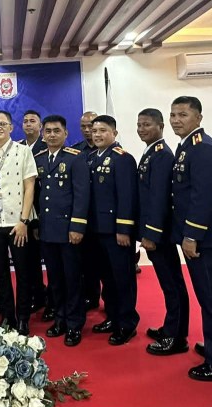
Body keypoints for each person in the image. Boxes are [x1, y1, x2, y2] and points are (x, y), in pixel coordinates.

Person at [165, 97, 212, 379]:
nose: (176, 120)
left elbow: (203, 197)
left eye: (183, 115)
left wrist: (192, 234)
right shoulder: (187, 147)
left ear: (198, 117)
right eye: (173, 115)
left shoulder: (202, 148)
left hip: (202, 238)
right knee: (207, 296)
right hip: (194, 235)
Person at [0, 110, 38, 334]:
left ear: (11, 127)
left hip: (17, 223)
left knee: (23, 272)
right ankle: (7, 315)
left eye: (3, 124)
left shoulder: (23, 151)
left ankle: (23, 317)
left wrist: (24, 220)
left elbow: (30, 186)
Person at [135, 108, 189, 353]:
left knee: (172, 284)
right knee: (169, 283)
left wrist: (151, 233)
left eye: (147, 124)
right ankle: (170, 327)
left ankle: (176, 337)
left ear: (160, 126)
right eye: (139, 125)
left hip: (160, 233)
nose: (142, 129)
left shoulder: (162, 155)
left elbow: (159, 198)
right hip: (155, 231)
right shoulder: (151, 152)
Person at [35, 115, 90, 346]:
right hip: (48, 230)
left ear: (65, 133)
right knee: (55, 279)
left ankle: (75, 324)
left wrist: (77, 226)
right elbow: (38, 196)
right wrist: (37, 225)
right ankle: (60, 319)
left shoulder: (76, 158)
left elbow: (82, 195)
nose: (52, 135)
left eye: (56, 131)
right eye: (48, 131)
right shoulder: (39, 158)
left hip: (69, 231)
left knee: (72, 279)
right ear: (43, 134)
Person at [88, 115, 140, 345]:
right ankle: (112, 316)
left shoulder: (122, 158)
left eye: (103, 130)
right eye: (94, 131)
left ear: (114, 133)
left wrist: (124, 229)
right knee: (107, 278)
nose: (98, 135)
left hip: (116, 232)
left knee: (122, 278)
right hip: (97, 230)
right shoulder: (92, 158)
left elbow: (127, 196)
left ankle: (127, 323)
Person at [17, 109, 48, 315]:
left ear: (40, 126)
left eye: (33, 121)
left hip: (42, 213)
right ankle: (33, 294)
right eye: (26, 121)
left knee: (41, 259)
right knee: (27, 260)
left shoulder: (46, 147)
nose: (29, 124)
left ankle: (45, 296)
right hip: (22, 213)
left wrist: (36, 221)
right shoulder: (17, 147)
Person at [73, 111, 101, 311]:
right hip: (82, 216)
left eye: (90, 125)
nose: (87, 130)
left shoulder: (110, 151)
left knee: (104, 264)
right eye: (83, 126)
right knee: (84, 261)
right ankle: (89, 296)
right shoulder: (76, 151)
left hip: (102, 216)